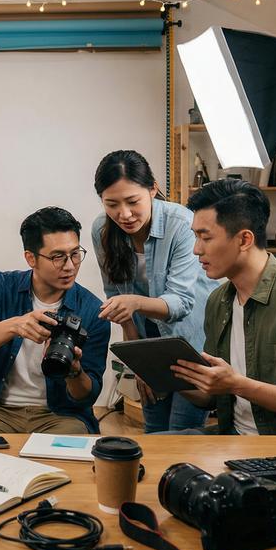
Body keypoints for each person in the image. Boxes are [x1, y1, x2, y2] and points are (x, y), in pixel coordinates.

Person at [91, 150, 219, 433]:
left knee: (180, 434)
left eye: (133, 201)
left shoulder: (181, 224)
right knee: (154, 433)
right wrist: (138, 362)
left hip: (192, 340)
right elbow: (116, 299)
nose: (123, 214)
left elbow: (180, 303)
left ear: (153, 189)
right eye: (112, 204)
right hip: (148, 343)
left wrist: (134, 303)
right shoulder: (102, 229)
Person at [0, 207, 111, 434]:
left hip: (61, 415)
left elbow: (88, 395)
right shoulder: (1, 287)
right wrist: (16, 325)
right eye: (58, 256)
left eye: (75, 254)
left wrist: (74, 371)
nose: (69, 266)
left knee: (71, 459)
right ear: (31, 258)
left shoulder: (92, 310)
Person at [171, 179, 276, 435]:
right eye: (194, 236)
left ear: (244, 239)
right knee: (133, 452)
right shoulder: (217, 300)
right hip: (229, 437)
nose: (196, 250)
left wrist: (236, 384)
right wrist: (167, 377)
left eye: (205, 237)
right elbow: (210, 398)